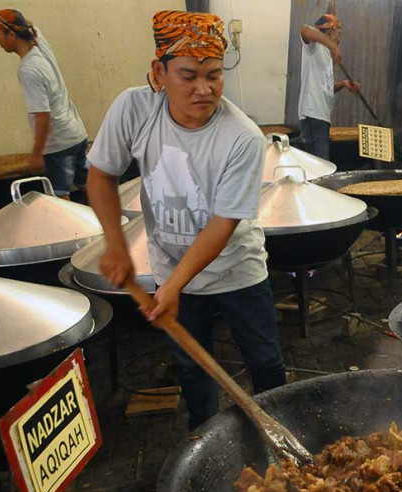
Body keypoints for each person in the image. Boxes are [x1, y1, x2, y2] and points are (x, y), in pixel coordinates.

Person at [87, 10, 286, 431]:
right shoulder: (134, 109)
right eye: (189, 75)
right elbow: (101, 175)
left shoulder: (242, 137)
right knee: (191, 365)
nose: (203, 88)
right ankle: (203, 440)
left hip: (237, 269)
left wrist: (174, 286)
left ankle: (277, 436)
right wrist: (116, 246)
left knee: (264, 360)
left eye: (214, 75)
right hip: (169, 265)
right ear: (159, 72)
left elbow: (223, 223)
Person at [0, 9, 88, 199]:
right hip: (76, 134)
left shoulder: (28, 69)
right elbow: (26, 22)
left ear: (12, 34)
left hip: (58, 144)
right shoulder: (39, 43)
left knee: (61, 200)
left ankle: (78, 231)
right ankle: (113, 222)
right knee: (89, 186)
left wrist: (37, 153)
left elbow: (42, 115)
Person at [297, 13, 359, 160]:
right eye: (338, 33)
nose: (339, 38)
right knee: (320, 165)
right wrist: (332, 46)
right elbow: (304, 30)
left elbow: (326, 88)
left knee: (320, 163)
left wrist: (344, 84)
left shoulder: (325, 53)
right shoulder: (314, 46)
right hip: (312, 113)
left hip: (321, 116)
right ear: (331, 31)